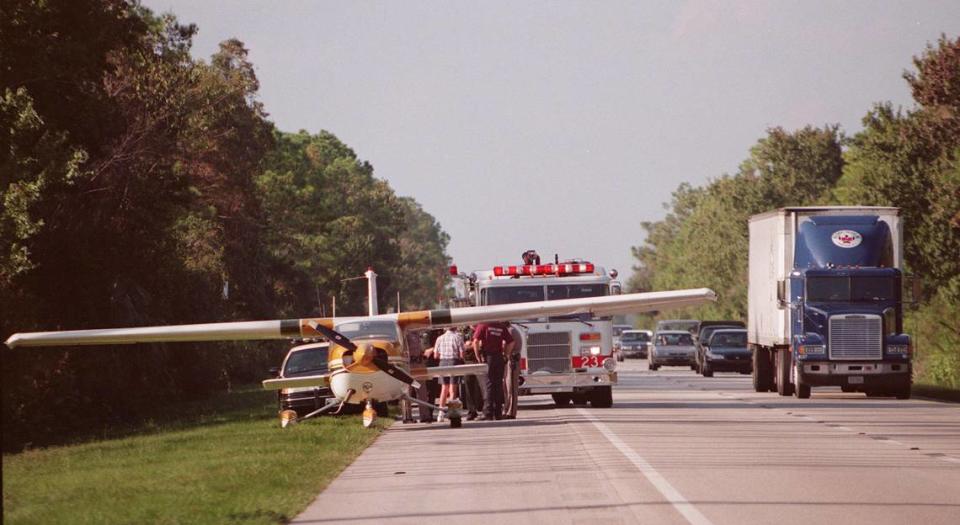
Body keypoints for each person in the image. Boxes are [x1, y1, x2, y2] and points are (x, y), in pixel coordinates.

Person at [473, 321, 515, 420]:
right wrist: (506, 355)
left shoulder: (483, 325)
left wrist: (478, 356)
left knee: (488, 384)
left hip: (488, 357)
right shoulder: (501, 326)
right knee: (498, 384)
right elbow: (511, 342)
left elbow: (475, 341)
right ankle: (498, 413)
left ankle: (488, 412)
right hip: (499, 357)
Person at [433, 326, 465, 422]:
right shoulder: (458, 337)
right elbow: (462, 354)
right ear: (455, 328)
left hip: (442, 362)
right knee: (452, 389)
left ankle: (440, 413)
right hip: (453, 362)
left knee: (444, 388)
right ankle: (453, 412)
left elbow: (435, 355)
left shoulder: (440, 338)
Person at [460, 329, 484, 421]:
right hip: (468, 361)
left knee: (481, 387)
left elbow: (482, 344)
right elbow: (462, 346)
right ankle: (471, 411)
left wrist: (472, 344)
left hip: (479, 361)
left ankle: (482, 409)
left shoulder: (480, 329)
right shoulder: (464, 332)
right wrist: (474, 345)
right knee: (468, 388)